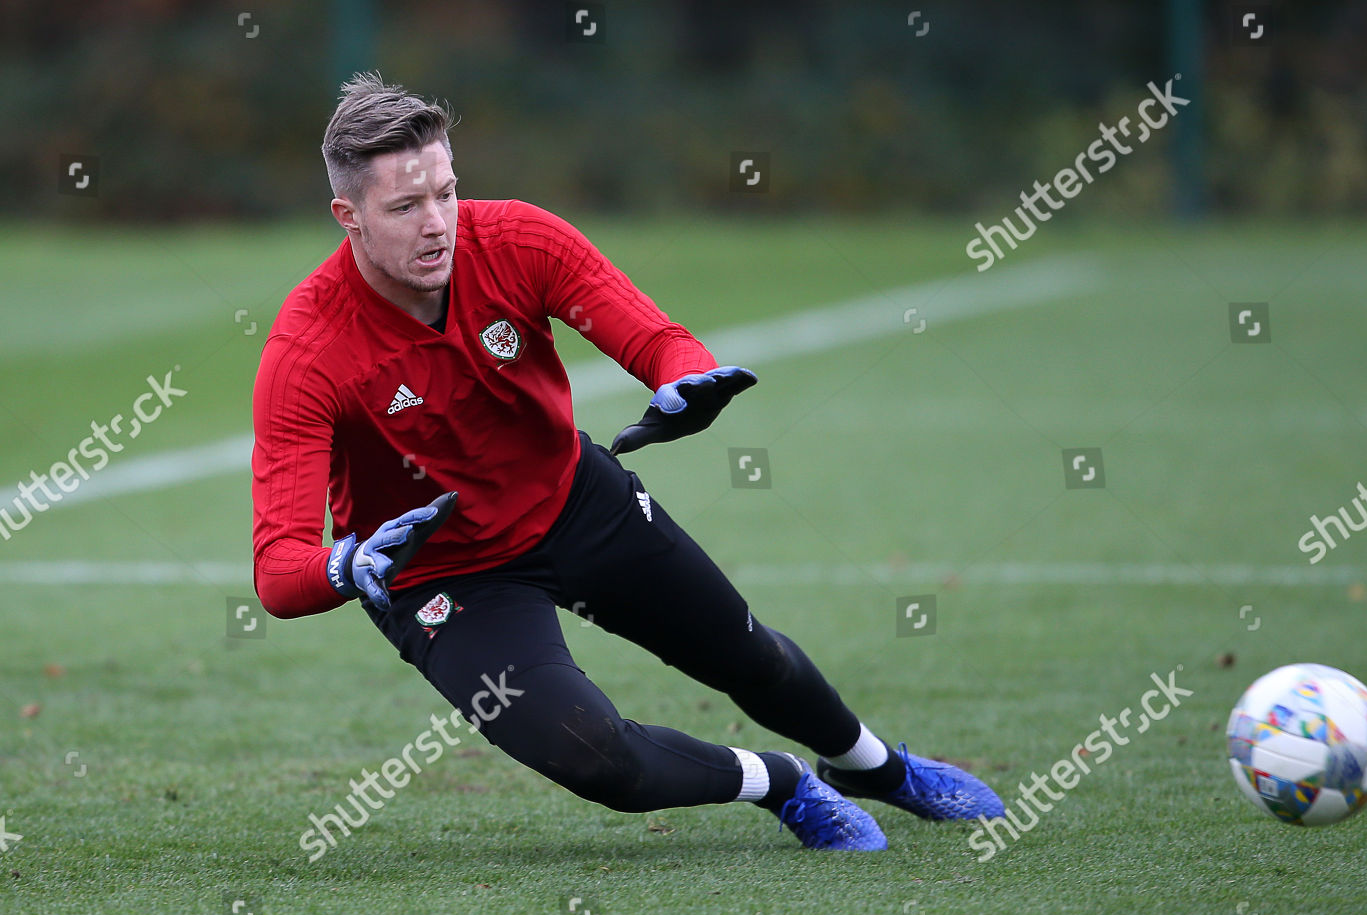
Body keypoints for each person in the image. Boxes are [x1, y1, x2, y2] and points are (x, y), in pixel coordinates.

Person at [251, 73, 1004, 851]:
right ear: (349, 217)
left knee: (749, 654)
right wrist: (347, 566)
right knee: (596, 756)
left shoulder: (517, 239)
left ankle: (874, 767)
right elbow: (278, 570)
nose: (437, 222)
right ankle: (783, 781)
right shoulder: (308, 354)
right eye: (405, 207)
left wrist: (686, 377)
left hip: (572, 499)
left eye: (445, 191)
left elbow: (654, 338)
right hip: (440, 573)